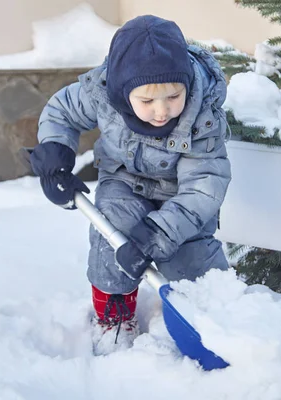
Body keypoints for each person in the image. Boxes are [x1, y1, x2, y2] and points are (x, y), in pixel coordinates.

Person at [29, 15, 232, 351]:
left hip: (181, 201)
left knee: (193, 263)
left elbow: (203, 186)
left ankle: (221, 320)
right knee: (112, 233)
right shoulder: (102, 93)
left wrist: (157, 234)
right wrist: (55, 154)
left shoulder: (202, 115)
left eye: (173, 96)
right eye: (147, 101)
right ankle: (114, 316)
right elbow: (61, 111)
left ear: (187, 86)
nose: (162, 111)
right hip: (125, 183)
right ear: (123, 91)